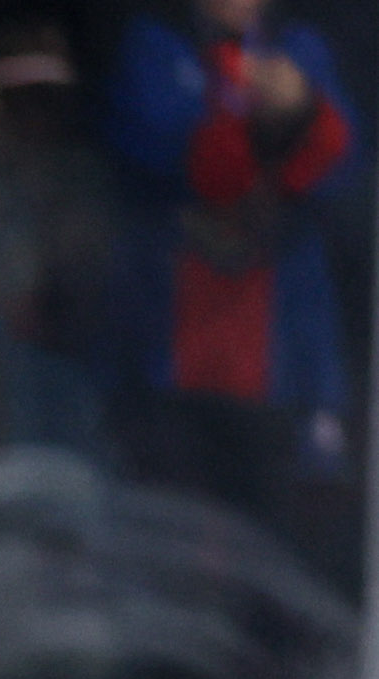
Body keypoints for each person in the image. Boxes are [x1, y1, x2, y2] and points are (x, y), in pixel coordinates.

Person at [102, 0, 360, 549]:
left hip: (276, 353)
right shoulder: (158, 43)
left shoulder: (301, 49)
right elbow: (165, 154)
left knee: (271, 536)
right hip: (172, 344)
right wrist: (258, 116)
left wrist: (303, 110)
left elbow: (342, 170)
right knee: (168, 530)